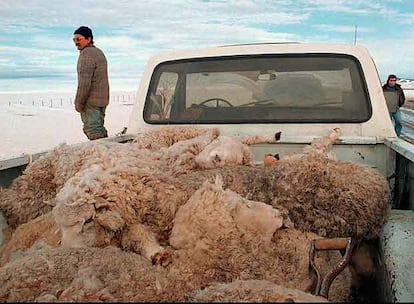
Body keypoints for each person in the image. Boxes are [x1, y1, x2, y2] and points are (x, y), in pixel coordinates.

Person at [73, 26, 109, 140]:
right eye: (74, 40)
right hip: (102, 100)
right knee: (99, 129)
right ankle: (108, 153)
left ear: (88, 39)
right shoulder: (99, 52)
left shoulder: (86, 54)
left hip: (91, 101)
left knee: (93, 132)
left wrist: (79, 102)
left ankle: (104, 155)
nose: (76, 43)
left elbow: (84, 82)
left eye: (79, 39)